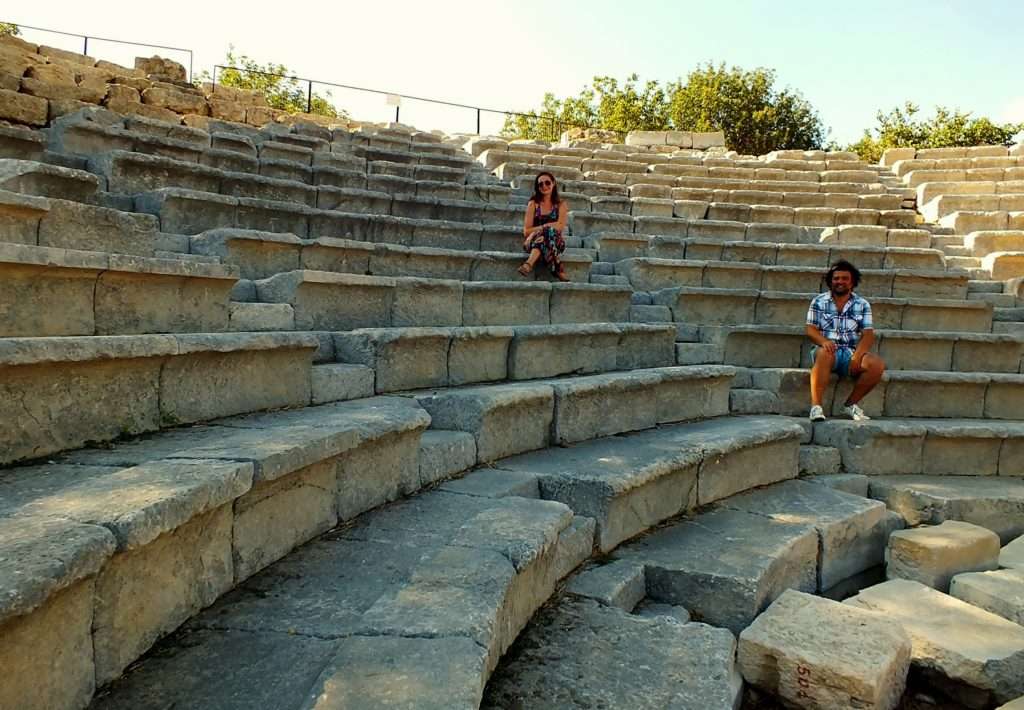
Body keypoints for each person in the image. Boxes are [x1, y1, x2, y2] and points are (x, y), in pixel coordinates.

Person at [805, 260, 886, 422]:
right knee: (825, 353)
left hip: (849, 351)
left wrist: (858, 355)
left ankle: (850, 405)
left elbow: (868, 334)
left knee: (876, 365)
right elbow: (810, 329)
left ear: (852, 282)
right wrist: (823, 341)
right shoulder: (818, 301)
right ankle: (816, 407)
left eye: (844, 278)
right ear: (830, 281)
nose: (840, 282)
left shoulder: (862, 304)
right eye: (836, 278)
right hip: (826, 350)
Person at [519, 171, 569, 281]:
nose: (544, 186)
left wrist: (543, 227)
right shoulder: (533, 204)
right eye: (540, 184)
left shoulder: (561, 205)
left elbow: (560, 227)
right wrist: (546, 228)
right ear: (537, 187)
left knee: (548, 231)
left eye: (547, 183)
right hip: (533, 241)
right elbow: (526, 231)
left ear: (553, 183)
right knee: (547, 232)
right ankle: (557, 265)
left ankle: (529, 263)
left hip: (556, 242)